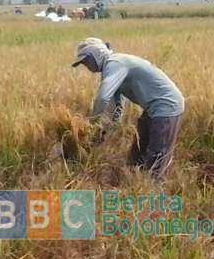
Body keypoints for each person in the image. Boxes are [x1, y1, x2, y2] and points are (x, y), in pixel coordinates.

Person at [72, 37, 184, 178]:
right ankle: (135, 184)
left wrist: (91, 124)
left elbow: (102, 97)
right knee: (136, 156)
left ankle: (153, 193)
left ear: (96, 54)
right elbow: (117, 108)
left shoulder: (115, 63)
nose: (86, 66)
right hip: (152, 109)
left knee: (156, 158)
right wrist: (102, 133)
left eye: (86, 61)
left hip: (167, 107)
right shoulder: (111, 70)